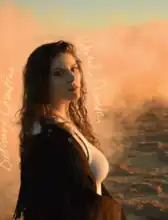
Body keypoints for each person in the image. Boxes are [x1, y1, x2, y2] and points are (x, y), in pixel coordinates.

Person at [12, 40, 126, 220]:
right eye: (58, 73)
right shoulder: (49, 137)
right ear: (42, 82)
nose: (72, 79)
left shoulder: (62, 125)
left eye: (74, 69)